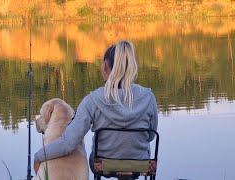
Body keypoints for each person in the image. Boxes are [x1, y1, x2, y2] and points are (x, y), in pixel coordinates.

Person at [34, 40, 158, 177]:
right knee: (132, 157)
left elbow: (68, 143)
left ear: (105, 66)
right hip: (141, 164)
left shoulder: (92, 100)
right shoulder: (148, 97)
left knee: (98, 158)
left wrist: (39, 156)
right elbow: (151, 136)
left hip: (103, 165)